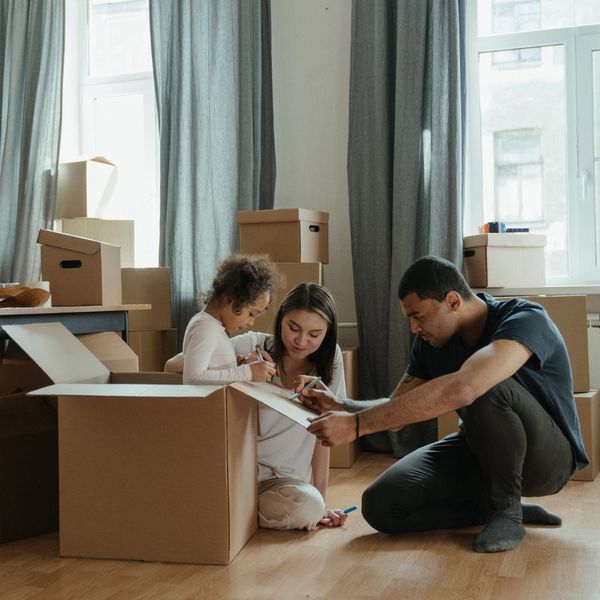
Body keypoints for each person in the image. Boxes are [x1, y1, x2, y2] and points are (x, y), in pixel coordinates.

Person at [297, 255, 587, 553]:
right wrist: (342, 406)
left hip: (547, 461)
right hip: (480, 451)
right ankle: (491, 507)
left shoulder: (525, 318)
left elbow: (468, 386)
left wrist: (357, 427)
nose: (413, 328)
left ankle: (507, 512)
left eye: (418, 316)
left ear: (452, 301)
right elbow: (397, 409)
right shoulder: (431, 342)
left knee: (484, 384)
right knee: (381, 505)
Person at [166, 282, 349, 531]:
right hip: (237, 472)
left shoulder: (331, 362)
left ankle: (231, 511)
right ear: (280, 319)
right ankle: (233, 509)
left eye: (314, 334)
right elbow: (173, 365)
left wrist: (322, 500)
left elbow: (324, 434)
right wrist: (239, 369)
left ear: (327, 334)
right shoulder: (251, 345)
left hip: (283, 483)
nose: (301, 341)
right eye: (293, 328)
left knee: (310, 508)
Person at [174, 254, 278, 384]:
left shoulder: (213, 327)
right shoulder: (205, 328)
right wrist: (247, 372)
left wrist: (236, 367)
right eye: (251, 314)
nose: (251, 322)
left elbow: (211, 373)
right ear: (231, 299)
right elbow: (193, 379)